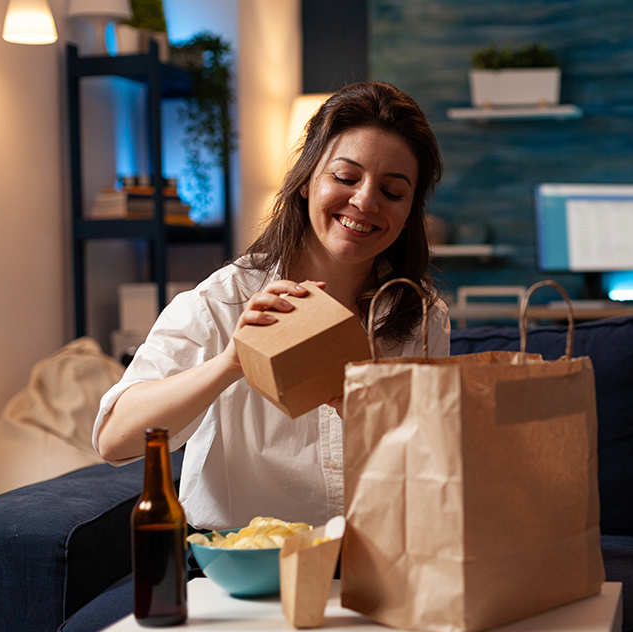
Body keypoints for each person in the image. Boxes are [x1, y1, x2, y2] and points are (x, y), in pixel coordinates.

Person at [93, 82, 450, 532]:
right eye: (345, 178)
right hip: (242, 569)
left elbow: (432, 468)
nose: (365, 201)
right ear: (305, 181)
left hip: (375, 562)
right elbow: (114, 440)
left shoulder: (421, 316)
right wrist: (232, 361)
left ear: (409, 210)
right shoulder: (224, 300)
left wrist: (368, 412)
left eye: (393, 192)